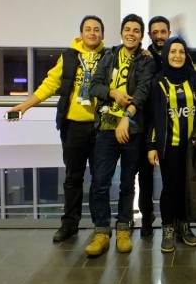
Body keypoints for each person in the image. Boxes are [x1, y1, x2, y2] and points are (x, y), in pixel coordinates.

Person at [10, 15, 107, 243]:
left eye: (96, 29)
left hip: (101, 126)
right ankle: (69, 225)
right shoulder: (69, 57)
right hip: (73, 126)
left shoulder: (109, 56)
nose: (92, 33)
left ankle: (100, 227)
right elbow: (50, 84)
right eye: (88, 29)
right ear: (81, 33)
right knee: (73, 178)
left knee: (100, 179)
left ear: (102, 34)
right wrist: (25, 106)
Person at [84, 14, 156, 256]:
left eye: (136, 30)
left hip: (132, 130)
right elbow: (93, 86)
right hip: (106, 128)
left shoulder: (146, 61)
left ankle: (123, 227)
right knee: (100, 182)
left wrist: (127, 117)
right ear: (121, 32)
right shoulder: (109, 56)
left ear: (141, 35)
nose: (131, 34)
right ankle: (102, 232)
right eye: (128, 29)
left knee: (127, 183)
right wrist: (113, 93)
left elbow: (143, 92)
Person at [147, 36, 196, 253]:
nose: (177, 55)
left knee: (186, 187)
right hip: (169, 145)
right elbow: (153, 116)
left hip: (193, 146)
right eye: (173, 51)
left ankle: (184, 226)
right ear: (166, 54)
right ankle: (167, 228)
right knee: (170, 188)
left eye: (181, 51)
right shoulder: (158, 80)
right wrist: (151, 145)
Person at [135, 15, 172, 237]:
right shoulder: (143, 57)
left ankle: (174, 220)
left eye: (163, 32)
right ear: (149, 35)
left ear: (169, 33)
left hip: (171, 124)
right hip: (145, 123)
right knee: (145, 176)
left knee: (171, 175)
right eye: (155, 32)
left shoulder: (177, 54)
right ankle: (147, 217)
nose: (159, 36)